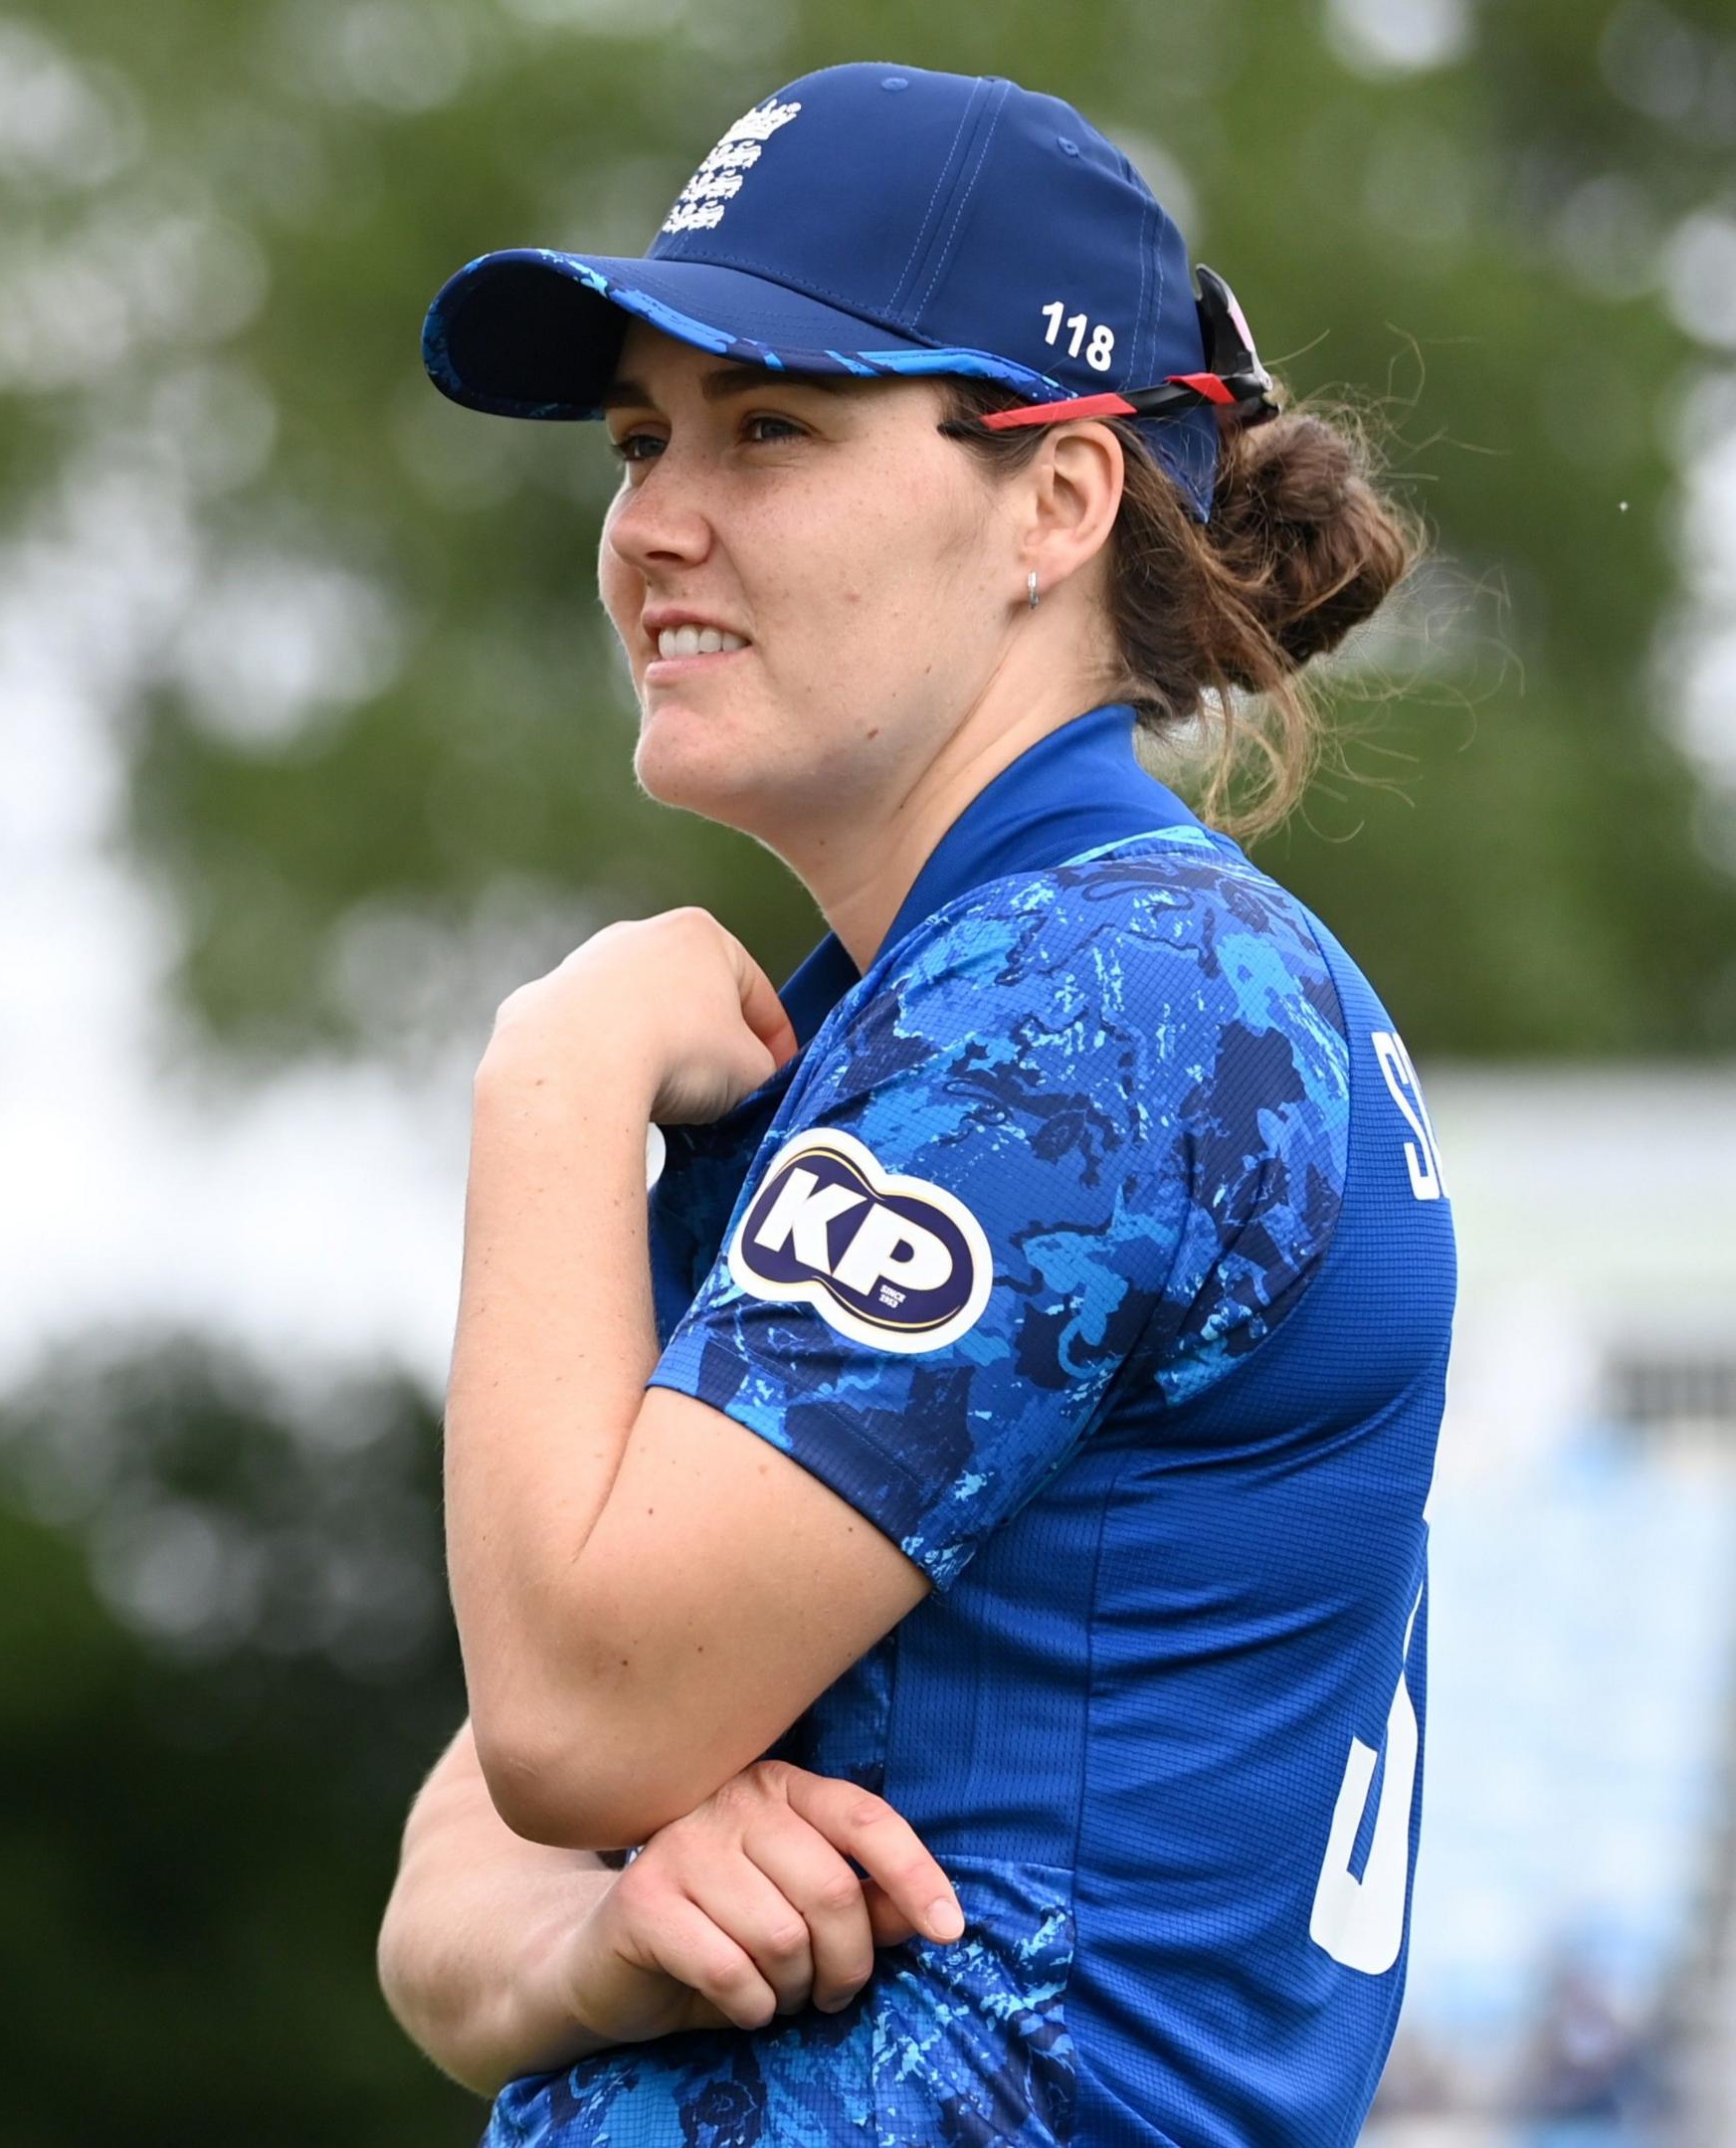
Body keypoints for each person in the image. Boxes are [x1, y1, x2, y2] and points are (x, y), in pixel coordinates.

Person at [372, 64, 1445, 2142]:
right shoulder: (942, 1007)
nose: (656, 521)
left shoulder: (1096, 1002)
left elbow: (571, 1719)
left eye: (772, 428)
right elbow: (456, 1881)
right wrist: (600, 1943)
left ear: (1056, 502)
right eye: (638, 440)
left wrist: (555, 1077)